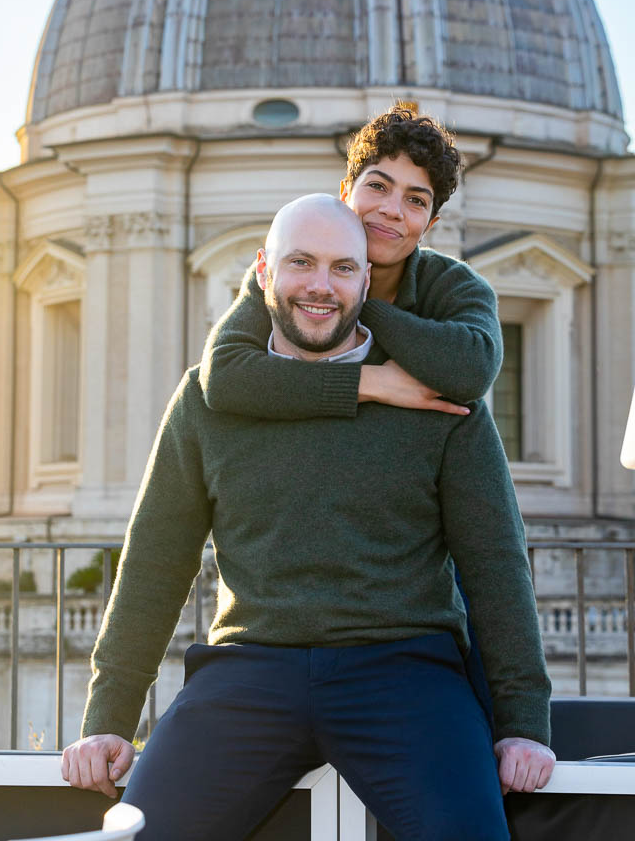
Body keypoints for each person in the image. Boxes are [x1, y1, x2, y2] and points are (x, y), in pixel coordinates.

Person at [62, 195, 555, 841]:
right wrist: (108, 715)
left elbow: (495, 560)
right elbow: (155, 561)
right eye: (301, 263)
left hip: (405, 674)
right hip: (247, 674)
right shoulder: (207, 399)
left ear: (366, 281)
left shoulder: (437, 402)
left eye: (343, 268)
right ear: (264, 270)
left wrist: (524, 722)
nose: (321, 287)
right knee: (138, 836)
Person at [199, 106, 504, 423]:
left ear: (430, 224)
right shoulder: (290, 275)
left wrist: (364, 305)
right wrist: (371, 382)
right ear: (345, 192)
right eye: (378, 186)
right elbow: (223, 377)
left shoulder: (456, 285)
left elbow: (475, 371)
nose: (392, 210)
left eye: (416, 200)